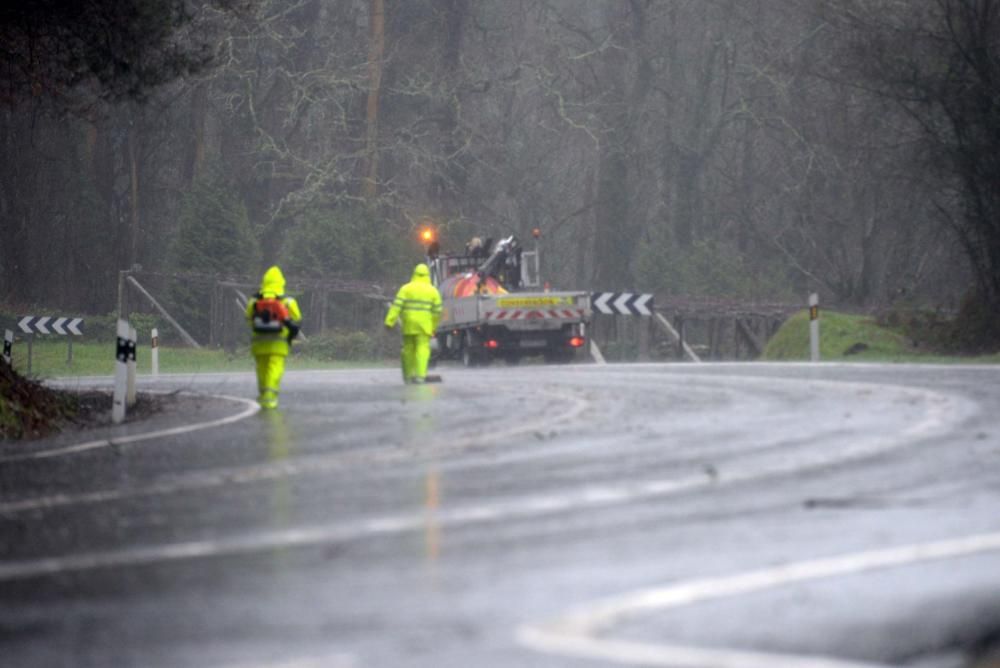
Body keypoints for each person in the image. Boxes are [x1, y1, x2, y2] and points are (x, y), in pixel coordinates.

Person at [246, 266, 302, 408]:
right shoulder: (288, 302)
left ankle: (262, 394)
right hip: (278, 344)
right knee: (275, 368)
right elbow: (297, 318)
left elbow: (248, 319)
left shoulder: (254, 302)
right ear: (281, 282)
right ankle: (270, 397)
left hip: (259, 344)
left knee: (261, 369)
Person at [384, 263, 442, 384]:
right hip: (424, 327)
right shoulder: (433, 291)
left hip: (409, 325)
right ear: (428, 275)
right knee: (422, 350)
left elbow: (396, 306)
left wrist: (389, 321)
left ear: (414, 273)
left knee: (407, 350)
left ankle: (408, 376)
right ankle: (420, 376)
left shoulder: (406, 289)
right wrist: (433, 327)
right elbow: (437, 312)